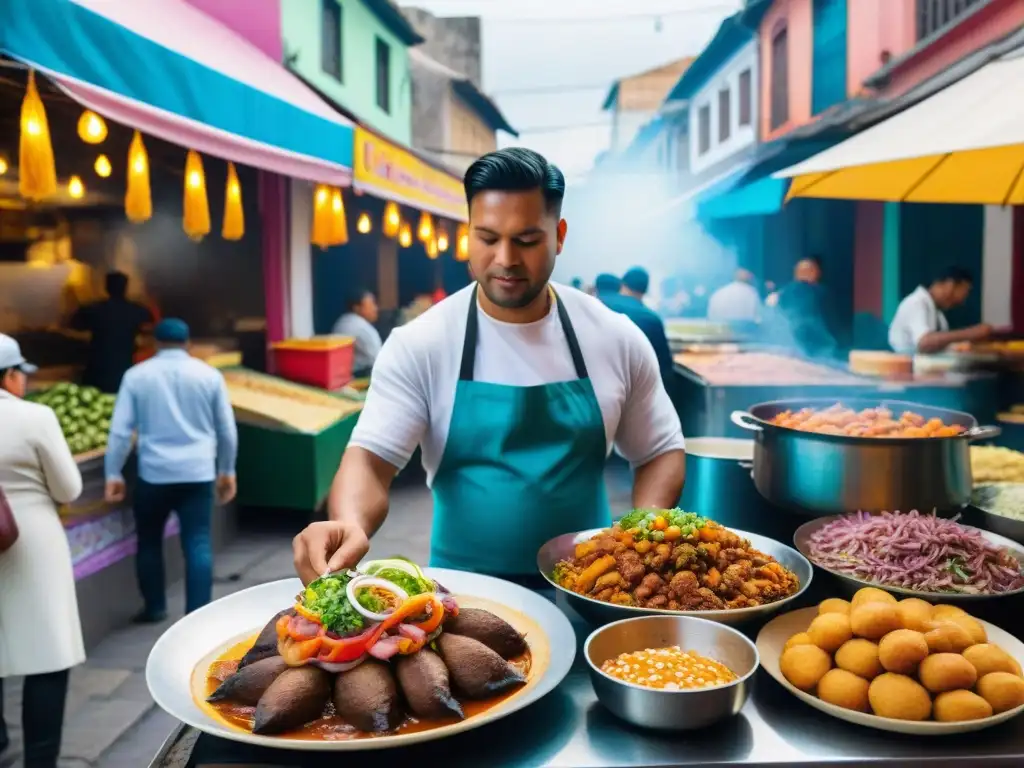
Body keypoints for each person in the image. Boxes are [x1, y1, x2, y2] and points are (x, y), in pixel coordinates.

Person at [292, 147, 686, 583]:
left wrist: (641, 540)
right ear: (468, 234)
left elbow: (659, 451)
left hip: (590, 589)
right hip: (462, 598)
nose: (505, 258)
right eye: (488, 238)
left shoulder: (614, 336)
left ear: (559, 235)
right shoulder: (422, 343)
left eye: (527, 240)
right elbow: (369, 461)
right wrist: (348, 522)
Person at [104, 319, 238, 622]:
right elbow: (227, 430)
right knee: (198, 541)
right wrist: (227, 470)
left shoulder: (136, 376)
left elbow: (121, 431)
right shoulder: (209, 376)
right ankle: (197, 616)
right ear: (188, 343)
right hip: (199, 472)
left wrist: (113, 473)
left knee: (149, 541)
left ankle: (154, 607)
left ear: (154, 343)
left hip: (154, 474)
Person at [0, 334, 85, 768]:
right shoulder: (35, 417)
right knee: (47, 653)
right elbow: (68, 487)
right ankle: (40, 759)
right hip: (31, 545)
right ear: (10, 375)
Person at [70, 271, 154, 394]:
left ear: (106, 287)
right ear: (126, 287)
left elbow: (73, 327)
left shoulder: (91, 309)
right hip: (125, 366)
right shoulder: (139, 311)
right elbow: (149, 332)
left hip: (96, 368)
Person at [888, 267, 991, 354]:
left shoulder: (938, 314)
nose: (962, 300)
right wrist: (971, 333)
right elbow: (925, 342)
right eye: (965, 291)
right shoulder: (916, 303)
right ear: (951, 285)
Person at [609, 267, 673, 378]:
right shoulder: (651, 319)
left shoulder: (605, 308)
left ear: (622, 284)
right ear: (645, 290)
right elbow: (664, 364)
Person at [774, 257, 839, 358]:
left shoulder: (784, 292)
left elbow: (779, 315)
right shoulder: (821, 292)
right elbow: (831, 319)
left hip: (792, 341)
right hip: (818, 342)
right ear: (814, 273)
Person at [332, 288, 383, 377]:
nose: (375, 309)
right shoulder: (362, 327)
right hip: (357, 377)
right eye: (371, 305)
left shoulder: (342, 321)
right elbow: (379, 360)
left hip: (338, 375)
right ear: (357, 308)